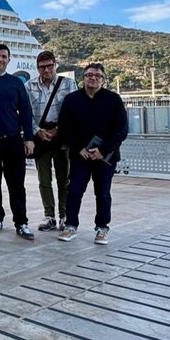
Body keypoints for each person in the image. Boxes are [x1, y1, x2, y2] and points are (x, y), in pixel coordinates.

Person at [57, 63, 128, 244]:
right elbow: (65, 127)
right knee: (74, 191)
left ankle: (102, 228)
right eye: (89, 75)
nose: (93, 78)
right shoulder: (72, 99)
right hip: (80, 155)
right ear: (83, 78)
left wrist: (103, 149)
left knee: (103, 193)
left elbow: (121, 129)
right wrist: (78, 147)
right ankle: (71, 225)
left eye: (97, 76)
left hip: (105, 157)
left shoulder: (113, 99)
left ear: (103, 79)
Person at [0, 44, 36, 240]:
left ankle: (21, 222)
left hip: (13, 139)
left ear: (8, 60)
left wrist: (29, 138)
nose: (0, 59)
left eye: (4, 57)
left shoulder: (15, 83)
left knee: (16, 184)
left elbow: (26, 111)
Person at [26, 51, 78, 233]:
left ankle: (64, 215)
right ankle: (49, 215)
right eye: (42, 67)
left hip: (61, 136)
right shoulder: (29, 85)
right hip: (41, 136)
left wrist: (58, 130)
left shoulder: (68, 83)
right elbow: (25, 113)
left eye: (49, 66)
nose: (46, 70)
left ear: (56, 65)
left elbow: (73, 110)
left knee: (64, 179)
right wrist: (37, 131)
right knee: (44, 179)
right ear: (37, 68)